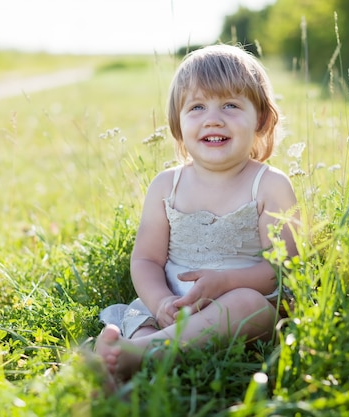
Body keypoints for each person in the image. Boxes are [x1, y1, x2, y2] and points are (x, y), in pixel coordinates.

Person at [95, 44, 299, 383]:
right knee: (140, 316)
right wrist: (161, 302)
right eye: (197, 106)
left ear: (260, 118)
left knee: (247, 306)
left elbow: (283, 270)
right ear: (178, 122)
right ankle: (138, 356)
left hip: (240, 304)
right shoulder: (166, 186)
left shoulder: (268, 185)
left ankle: (144, 353)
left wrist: (228, 282)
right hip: (172, 305)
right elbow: (145, 260)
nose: (213, 118)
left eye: (231, 105)